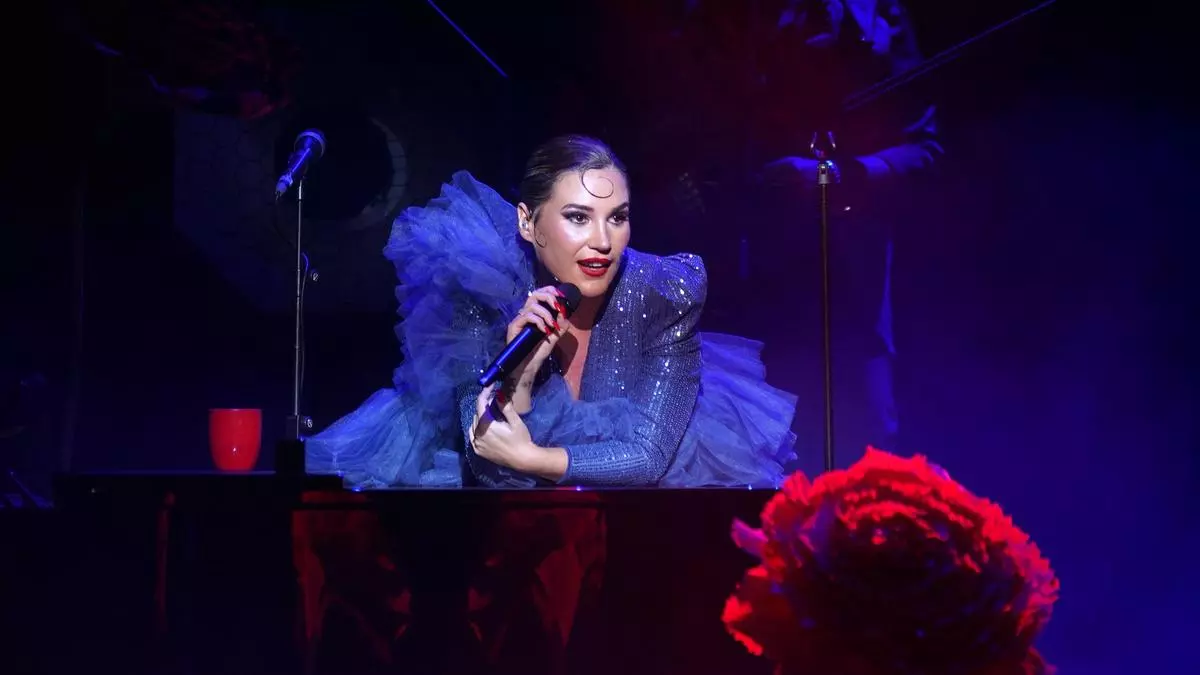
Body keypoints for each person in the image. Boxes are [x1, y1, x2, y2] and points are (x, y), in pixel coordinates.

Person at [307, 134, 798, 489]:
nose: (603, 241)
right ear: (528, 222)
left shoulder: (664, 294)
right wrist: (519, 379)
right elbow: (487, 468)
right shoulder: (481, 290)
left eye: (618, 218)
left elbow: (648, 457)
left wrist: (534, 458)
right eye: (578, 217)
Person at [611, 0, 942, 461]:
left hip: (843, 288)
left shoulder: (875, 13)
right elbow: (662, 123)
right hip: (730, 292)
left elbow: (923, 151)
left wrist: (832, 175)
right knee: (738, 453)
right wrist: (676, 182)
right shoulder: (726, 16)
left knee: (857, 443)